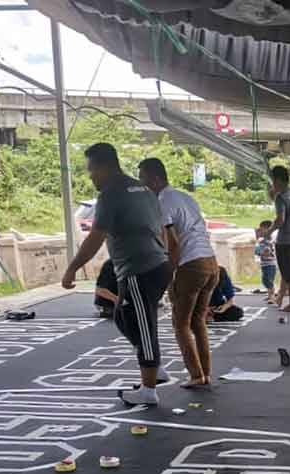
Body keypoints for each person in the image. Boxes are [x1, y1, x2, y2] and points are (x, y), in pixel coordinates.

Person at [61, 142, 172, 406]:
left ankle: (149, 389)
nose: (90, 176)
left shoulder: (111, 193)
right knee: (123, 316)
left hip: (139, 269)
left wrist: (71, 268)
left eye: (91, 170)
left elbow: (95, 238)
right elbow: (160, 228)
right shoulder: (142, 188)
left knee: (144, 326)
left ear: (104, 166)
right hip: (154, 264)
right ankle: (155, 367)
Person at [138, 157, 220, 390]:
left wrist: (168, 275)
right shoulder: (185, 197)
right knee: (198, 321)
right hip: (210, 262)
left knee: (180, 323)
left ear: (154, 179)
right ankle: (206, 373)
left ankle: (196, 375)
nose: (142, 185)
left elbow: (172, 244)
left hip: (190, 264)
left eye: (143, 179)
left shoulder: (162, 201)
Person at [267, 165, 290, 312]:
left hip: (285, 241)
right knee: (286, 270)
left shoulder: (280, 197)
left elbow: (280, 220)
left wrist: (268, 231)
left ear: (277, 179)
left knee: (289, 274)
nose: (272, 183)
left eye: (273, 180)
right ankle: (280, 297)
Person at [254, 220, 277, 304]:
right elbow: (257, 250)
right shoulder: (262, 241)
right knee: (264, 280)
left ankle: (272, 296)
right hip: (265, 264)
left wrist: (262, 252)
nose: (259, 231)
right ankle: (269, 295)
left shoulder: (269, 240)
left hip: (270, 265)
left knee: (268, 280)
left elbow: (264, 252)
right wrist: (258, 237)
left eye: (261, 230)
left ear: (268, 230)